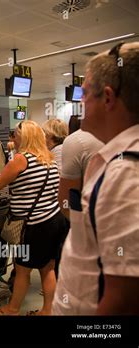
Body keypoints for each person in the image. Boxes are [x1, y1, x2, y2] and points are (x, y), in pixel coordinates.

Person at [53, 42, 139, 315]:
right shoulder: (115, 160)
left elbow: (124, 300)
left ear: (108, 98)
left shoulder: (124, 175)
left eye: (86, 93)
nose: (81, 103)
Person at [0, 121, 65, 316]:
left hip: (32, 226)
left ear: (24, 137)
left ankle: (12, 309)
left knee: (22, 270)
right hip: (54, 220)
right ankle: (47, 310)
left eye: (16, 135)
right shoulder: (49, 159)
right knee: (48, 269)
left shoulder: (21, 159)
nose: (13, 138)